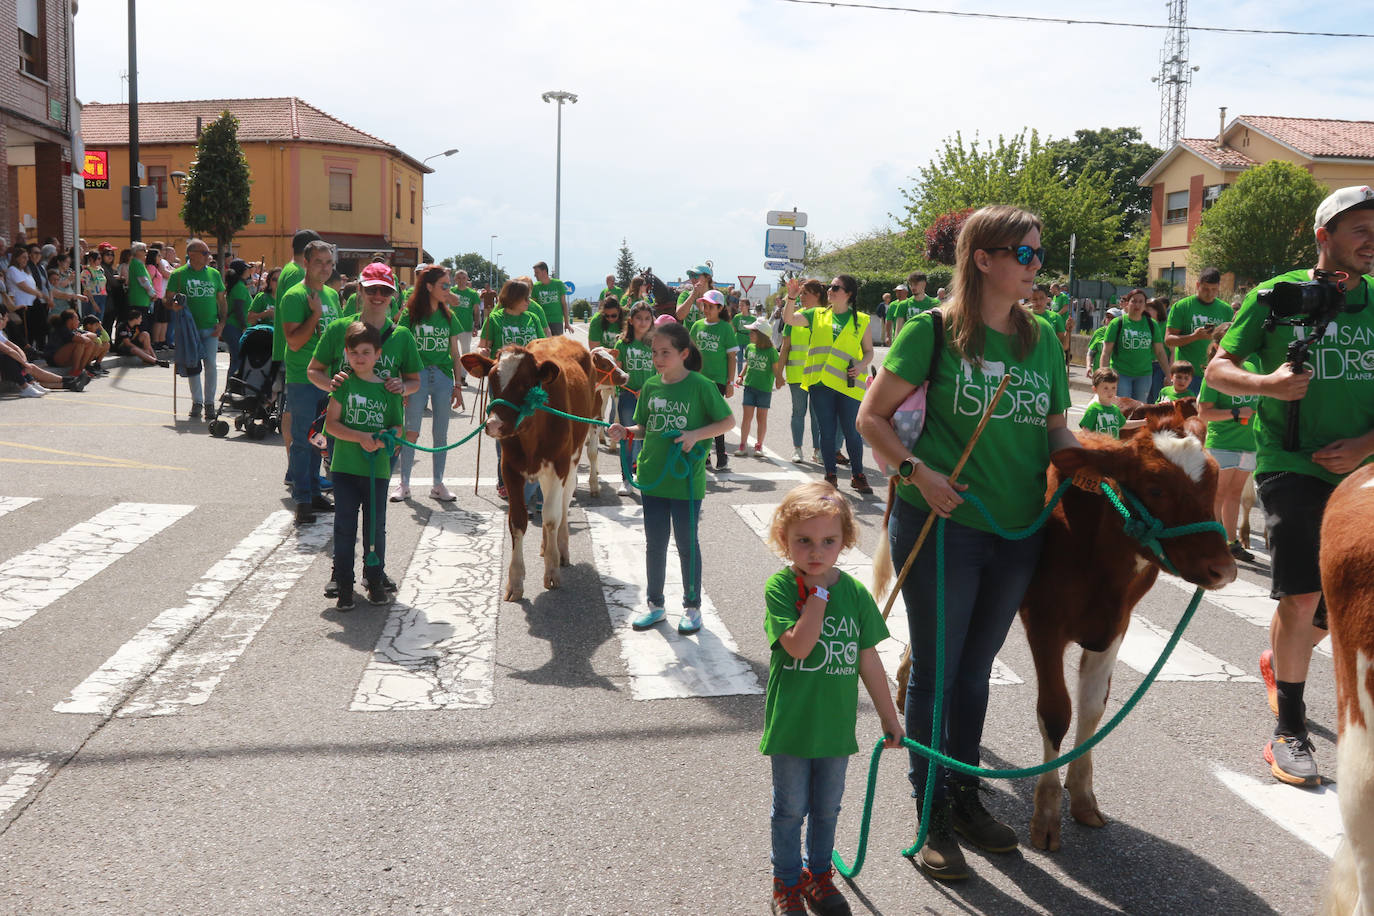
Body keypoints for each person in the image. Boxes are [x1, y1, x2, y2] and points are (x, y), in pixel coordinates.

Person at [856, 205, 1074, 882]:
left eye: (1039, 255)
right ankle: (931, 815)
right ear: (984, 258)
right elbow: (873, 418)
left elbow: (1057, 431)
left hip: (1017, 534)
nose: (1037, 266)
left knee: (976, 672)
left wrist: (1098, 466)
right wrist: (916, 471)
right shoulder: (933, 332)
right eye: (1027, 254)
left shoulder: (1042, 339)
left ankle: (964, 794)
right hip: (942, 525)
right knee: (938, 670)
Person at [1204, 186, 1374, 788]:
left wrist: (1364, 445)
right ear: (1324, 235)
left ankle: (1280, 662)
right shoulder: (1276, 296)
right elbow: (1218, 369)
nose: (1371, 239)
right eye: (1359, 227)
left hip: (1363, 473)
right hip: (1290, 464)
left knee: (1338, 609)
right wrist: (1269, 385)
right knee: (1301, 599)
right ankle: (1290, 731)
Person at [761, 482, 903, 916]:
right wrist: (818, 600)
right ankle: (787, 880)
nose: (816, 552)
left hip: (836, 730)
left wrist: (889, 717)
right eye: (804, 541)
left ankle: (819, 875)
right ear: (785, 541)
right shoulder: (782, 588)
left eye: (829, 541)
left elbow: (869, 660)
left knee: (826, 809)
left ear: (845, 541)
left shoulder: (856, 594)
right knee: (789, 810)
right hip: (792, 727)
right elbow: (799, 647)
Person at [606, 321, 735, 635]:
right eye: (654, 352)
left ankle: (692, 607)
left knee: (687, 545)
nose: (658, 358)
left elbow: (727, 421)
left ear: (684, 353)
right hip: (652, 477)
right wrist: (625, 432)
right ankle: (656, 605)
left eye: (666, 352)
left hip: (686, 480)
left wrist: (695, 435)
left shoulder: (701, 385)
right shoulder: (650, 385)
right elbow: (645, 428)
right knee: (655, 544)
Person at [323, 321, 405, 610]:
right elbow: (330, 425)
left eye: (366, 352)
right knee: (344, 528)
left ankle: (374, 579)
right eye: (354, 351)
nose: (360, 357)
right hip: (345, 469)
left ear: (377, 354)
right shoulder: (343, 385)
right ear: (346, 353)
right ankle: (345, 584)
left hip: (376, 472)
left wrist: (385, 439)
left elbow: (398, 427)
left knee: (375, 529)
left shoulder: (389, 389)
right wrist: (360, 436)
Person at [779, 274, 875, 495]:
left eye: (835, 287)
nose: (829, 290)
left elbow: (869, 351)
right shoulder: (816, 314)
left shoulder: (862, 319)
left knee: (852, 431)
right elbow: (790, 320)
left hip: (848, 384)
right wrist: (791, 298)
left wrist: (861, 365)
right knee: (827, 430)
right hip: (820, 383)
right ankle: (830, 475)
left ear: (848, 294)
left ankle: (858, 475)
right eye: (829, 287)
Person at [281, 240, 342, 524]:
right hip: (303, 376)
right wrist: (315, 314)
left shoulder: (331, 294)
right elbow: (293, 342)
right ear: (306, 263)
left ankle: (315, 492)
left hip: (328, 378)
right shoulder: (295, 296)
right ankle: (302, 499)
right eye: (319, 262)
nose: (325, 268)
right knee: (303, 440)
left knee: (320, 439)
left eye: (329, 263)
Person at [395, 266, 465, 502]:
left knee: (440, 433)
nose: (448, 290)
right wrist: (402, 384)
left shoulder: (448, 315)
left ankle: (438, 484)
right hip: (416, 377)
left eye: (450, 285)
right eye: (444, 285)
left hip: (443, 378)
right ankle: (403, 484)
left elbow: (455, 353)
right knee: (411, 431)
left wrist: (458, 385)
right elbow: (400, 349)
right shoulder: (410, 314)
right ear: (429, 286)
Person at [479, 279, 548, 502]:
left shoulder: (532, 318)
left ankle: (536, 486)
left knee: (534, 434)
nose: (529, 302)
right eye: (525, 298)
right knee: (504, 432)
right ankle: (505, 481)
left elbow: (542, 346)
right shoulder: (495, 319)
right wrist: (483, 350)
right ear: (514, 298)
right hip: (503, 388)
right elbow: (484, 344)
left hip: (528, 387)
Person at [1196, 324, 1258, 562]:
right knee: (1218, 495)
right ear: (1218, 346)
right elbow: (1204, 412)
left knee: (1234, 494)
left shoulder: (1252, 367)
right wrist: (1235, 413)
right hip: (1222, 444)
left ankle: (1231, 543)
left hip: (1249, 443)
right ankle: (1210, 542)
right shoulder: (1215, 373)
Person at [274, 229, 324, 477]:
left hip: (292, 352)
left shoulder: (286, 269)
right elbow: (300, 312)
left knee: (290, 413)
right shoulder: (297, 275)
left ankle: (294, 471)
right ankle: (297, 473)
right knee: (298, 420)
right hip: (300, 357)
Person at [164, 239, 227, 421]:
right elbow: (166, 300)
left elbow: (222, 301)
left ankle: (209, 404)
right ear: (192, 254)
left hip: (210, 327)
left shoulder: (214, 274)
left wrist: (222, 322)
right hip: (188, 329)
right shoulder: (179, 275)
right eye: (205, 253)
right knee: (193, 365)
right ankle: (197, 402)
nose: (209, 256)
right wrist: (172, 305)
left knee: (211, 366)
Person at [689, 289, 738, 471]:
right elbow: (690, 354)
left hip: (717, 380)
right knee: (700, 417)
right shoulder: (697, 326)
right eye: (705, 306)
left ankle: (722, 454)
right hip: (698, 379)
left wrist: (730, 383)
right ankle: (705, 455)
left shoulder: (725, 328)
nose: (706, 309)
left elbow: (732, 357)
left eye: (710, 306)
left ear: (720, 308)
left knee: (715, 417)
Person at [1165, 267, 1230, 395]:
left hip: (1214, 372)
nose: (1210, 293)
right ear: (1197, 285)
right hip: (1187, 375)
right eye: (1205, 289)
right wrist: (1194, 336)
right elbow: (1169, 340)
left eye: (1214, 290)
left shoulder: (1226, 309)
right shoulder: (1182, 306)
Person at [1097, 288, 1169, 401]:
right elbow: (1106, 352)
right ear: (1127, 303)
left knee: (1139, 409)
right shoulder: (1117, 323)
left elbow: (1160, 352)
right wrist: (1103, 375)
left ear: (1145, 305)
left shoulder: (1152, 324)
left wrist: (1168, 375)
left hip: (1144, 374)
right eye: (1134, 301)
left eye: (1141, 302)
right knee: (1123, 407)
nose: (1137, 305)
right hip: (1121, 373)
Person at [614, 302, 655, 496]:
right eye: (639, 318)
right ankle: (626, 479)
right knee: (628, 437)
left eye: (647, 318)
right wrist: (630, 389)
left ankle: (645, 473)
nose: (643, 322)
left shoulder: (656, 343)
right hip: (628, 396)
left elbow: (661, 371)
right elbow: (617, 374)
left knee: (649, 438)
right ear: (630, 320)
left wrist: (648, 390)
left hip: (651, 398)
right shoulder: (622, 344)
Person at [735, 318, 780, 457]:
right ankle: (742, 445)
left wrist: (779, 379)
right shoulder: (750, 347)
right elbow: (748, 364)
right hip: (749, 388)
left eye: (752, 332)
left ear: (760, 334)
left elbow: (775, 370)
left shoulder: (771, 352)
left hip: (764, 390)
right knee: (746, 418)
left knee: (761, 419)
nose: (749, 334)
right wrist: (741, 376)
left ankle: (759, 446)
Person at [1079, 368, 1142, 438]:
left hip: (1113, 447)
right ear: (1095, 389)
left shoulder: (1115, 409)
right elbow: (1085, 431)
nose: (1110, 392)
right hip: (1099, 447)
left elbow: (1124, 424)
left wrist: (1144, 422)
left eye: (1113, 388)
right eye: (1106, 388)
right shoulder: (1093, 409)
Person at [43, 309, 100, 381]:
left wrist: (84, 335)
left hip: (64, 358)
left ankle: (81, 370)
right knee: (80, 344)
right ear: (70, 321)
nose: (79, 322)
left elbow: (94, 335)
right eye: (77, 319)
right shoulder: (63, 329)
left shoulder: (73, 330)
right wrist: (83, 337)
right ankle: (74, 372)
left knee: (91, 344)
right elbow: (83, 340)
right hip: (54, 359)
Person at [223, 260, 254, 379]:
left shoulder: (237, 285)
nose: (249, 271)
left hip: (232, 327)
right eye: (246, 268)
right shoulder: (239, 287)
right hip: (235, 327)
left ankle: (231, 389)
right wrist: (244, 326)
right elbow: (238, 310)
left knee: (236, 359)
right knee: (237, 360)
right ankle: (230, 390)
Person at [450, 269, 481, 385]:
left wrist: (476, 326)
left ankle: (462, 377)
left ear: (467, 279)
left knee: (465, 353)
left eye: (464, 278)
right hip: (452, 327)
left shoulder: (472, 294)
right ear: (455, 279)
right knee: (451, 352)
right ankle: (452, 375)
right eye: (459, 278)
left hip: (466, 327)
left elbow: (476, 310)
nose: (461, 280)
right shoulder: (451, 292)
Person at [531, 261, 568, 335]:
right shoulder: (535, 287)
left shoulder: (558, 284)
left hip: (557, 321)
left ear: (544, 272)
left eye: (537, 272)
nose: (535, 275)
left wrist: (566, 322)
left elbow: (564, 304)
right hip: (542, 322)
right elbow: (533, 307)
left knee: (557, 345)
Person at [1086, 307, 1121, 376]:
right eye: (1108, 317)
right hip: (1099, 372)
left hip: (1117, 372)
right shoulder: (1099, 332)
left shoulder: (1122, 333)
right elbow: (1090, 352)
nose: (1109, 320)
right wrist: (1088, 366)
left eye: (1113, 318)